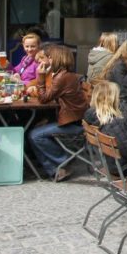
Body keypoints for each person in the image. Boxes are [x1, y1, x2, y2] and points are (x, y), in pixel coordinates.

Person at [29, 44, 89, 182]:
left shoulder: (62, 77)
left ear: (57, 59)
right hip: (72, 119)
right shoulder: (64, 75)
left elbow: (44, 99)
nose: (48, 60)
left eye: (50, 57)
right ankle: (55, 169)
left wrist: (41, 77)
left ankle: (64, 160)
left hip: (74, 123)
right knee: (34, 130)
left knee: (34, 135)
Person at [84, 80, 127, 171]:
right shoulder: (114, 123)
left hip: (109, 163)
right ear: (114, 98)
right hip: (123, 167)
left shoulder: (92, 116)